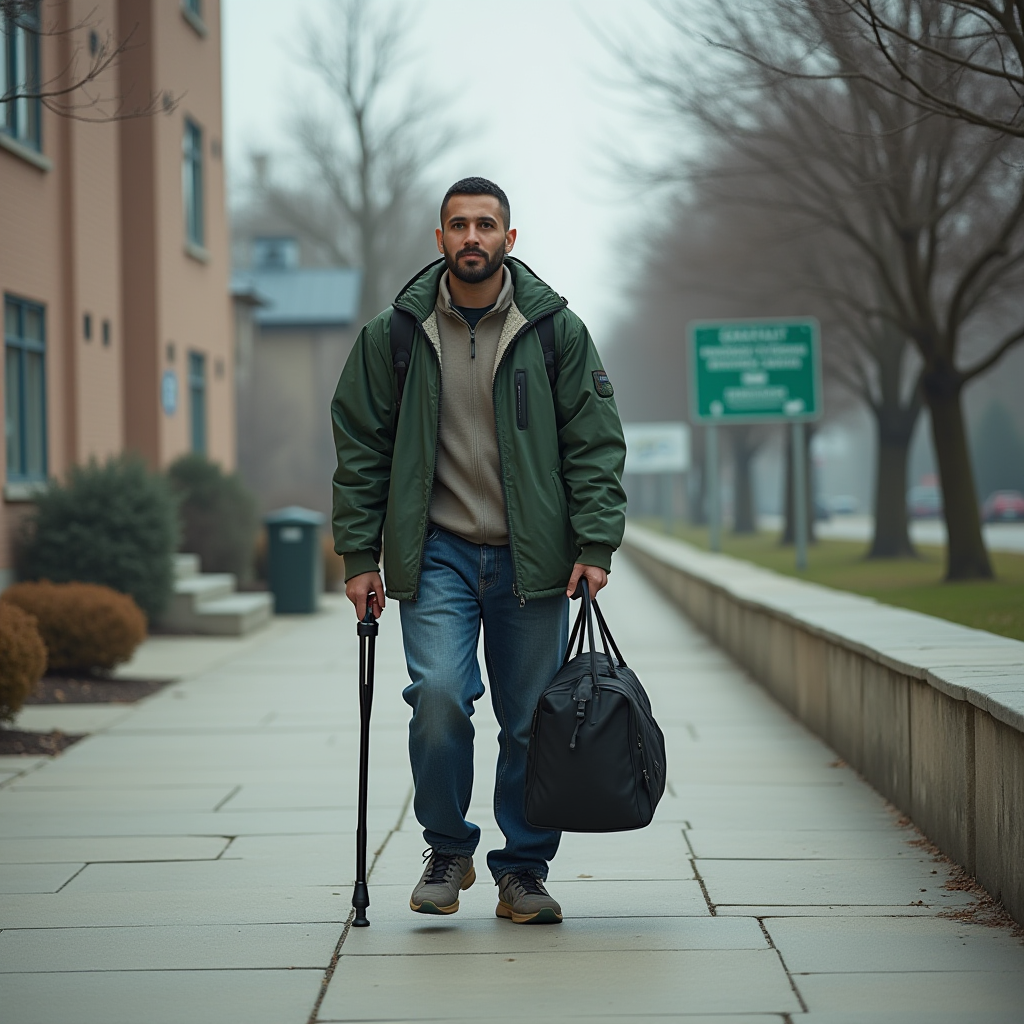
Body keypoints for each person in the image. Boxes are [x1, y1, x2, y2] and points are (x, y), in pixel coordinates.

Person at [331, 177, 626, 924]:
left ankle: (523, 871)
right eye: (458, 224)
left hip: (534, 563)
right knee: (436, 699)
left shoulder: (553, 330)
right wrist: (359, 556)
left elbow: (594, 444)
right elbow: (360, 450)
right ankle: (448, 849)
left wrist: (594, 542)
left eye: (486, 225)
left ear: (508, 239)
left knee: (530, 721)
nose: (472, 237)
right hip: (438, 557)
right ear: (439, 239)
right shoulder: (393, 336)